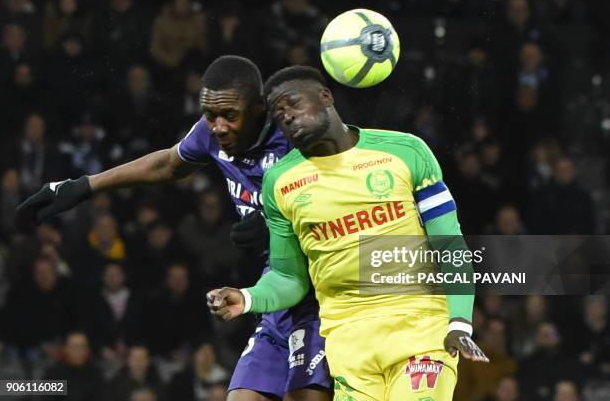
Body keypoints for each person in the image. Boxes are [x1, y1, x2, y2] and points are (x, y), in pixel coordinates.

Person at [17, 56, 332, 401]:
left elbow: (347, 215)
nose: (219, 127)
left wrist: (281, 225)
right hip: (278, 288)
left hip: (324, 291)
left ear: (258, 108)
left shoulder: (296, 137)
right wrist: (85, 186)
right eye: (210, 115)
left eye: (230, 116)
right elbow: (168, 164)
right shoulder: (213, 132)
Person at [208, 66, 489, 400]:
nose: (289, 118)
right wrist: (248, 297)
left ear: (325, 96)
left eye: (294, 104)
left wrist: (459, 322)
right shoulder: (280, 182)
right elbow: (289, 278)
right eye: (280, 115)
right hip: (347, 345)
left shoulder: (405, 151)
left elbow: (450, 247)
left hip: (420, 330)